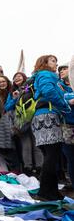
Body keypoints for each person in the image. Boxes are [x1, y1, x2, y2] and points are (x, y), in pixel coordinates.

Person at [31, 55, 71, 200]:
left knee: (51, 156)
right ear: (44, 63)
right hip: (47, 116)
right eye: (53, 61)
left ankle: (52, 191)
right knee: (52, 156)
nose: (56, 64)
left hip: (43, 116)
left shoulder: (42, 76)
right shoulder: (46, 74)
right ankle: (45, 192)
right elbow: (49, 92)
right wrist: (65, 105)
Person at [4, 72, 43, 175]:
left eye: (19, 76)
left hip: (34, 117)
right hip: (21, 120)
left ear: (25, 78)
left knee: (36, 143)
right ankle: (28, 168)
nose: (17, 78)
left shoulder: (31, 87)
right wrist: (14, 98)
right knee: (26, 144)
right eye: (15, 77)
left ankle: (39, 166)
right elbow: (7, 107)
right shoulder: (12, 92)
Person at [58, 63, 74, 191]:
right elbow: (59, 98)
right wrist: (69, 98)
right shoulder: (58, 85)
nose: (62, 71)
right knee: (71, 157)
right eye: (60, 70)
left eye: (64, 68)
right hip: (67, 126)